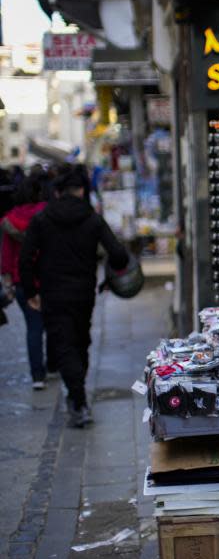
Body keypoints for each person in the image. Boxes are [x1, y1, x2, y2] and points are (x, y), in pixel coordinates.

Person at [19, 167, 129, 428]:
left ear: (58, 192)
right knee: (80, 343)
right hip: (83, 293)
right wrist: (111, 278)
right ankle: (78, 398)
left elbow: (25, 259)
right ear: (82, 191)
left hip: (53, 293)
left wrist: (31, 292)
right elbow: (119, 255)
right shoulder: (92, 219)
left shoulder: (42, 219)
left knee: (64, 344)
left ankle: (78, 400)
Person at [1, 170, 48, 389]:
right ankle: (54, 364)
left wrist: (7, 280)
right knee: (54, 323)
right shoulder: (47, 214)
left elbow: (7, 254)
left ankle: (37, 375)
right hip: (48, 277)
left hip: (22, 281)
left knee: (33, 327)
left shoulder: (10, 220)